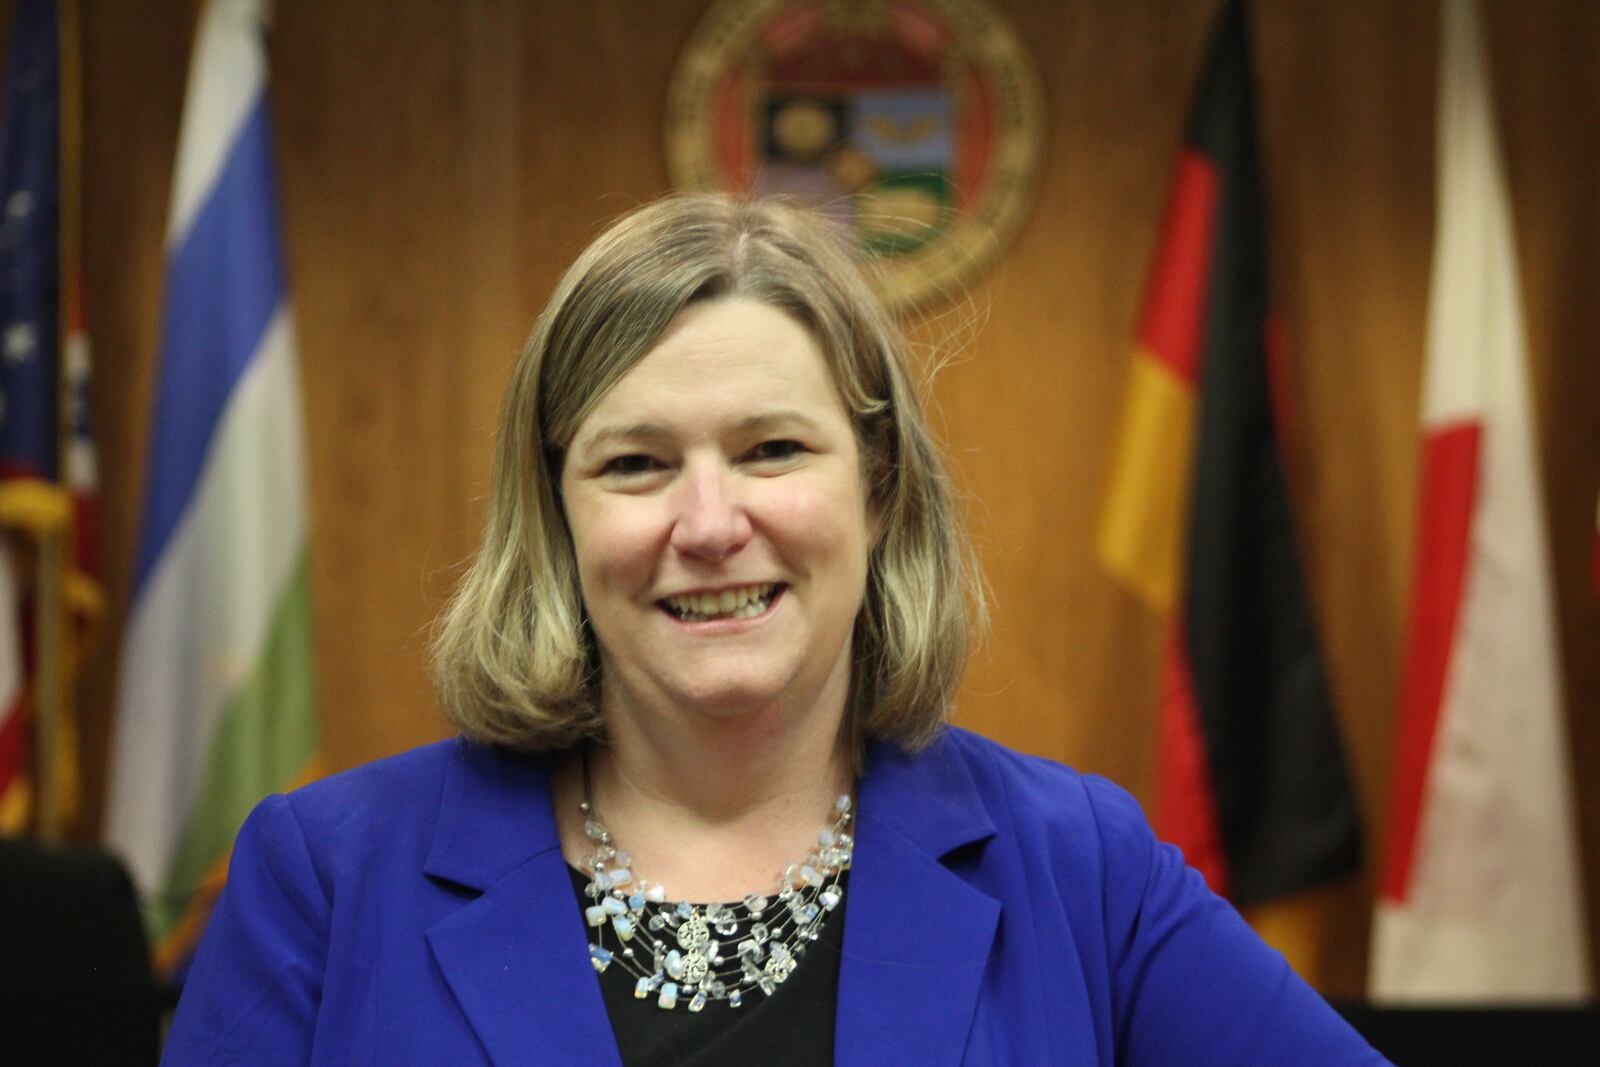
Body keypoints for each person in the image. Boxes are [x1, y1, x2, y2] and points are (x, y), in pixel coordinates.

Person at [160, 194, 1389, 1065]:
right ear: (557, 517)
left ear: (879, 488)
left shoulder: (1077, 862)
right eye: (635, 463)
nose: (708, 521)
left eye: (772, 449)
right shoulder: (324, 873)